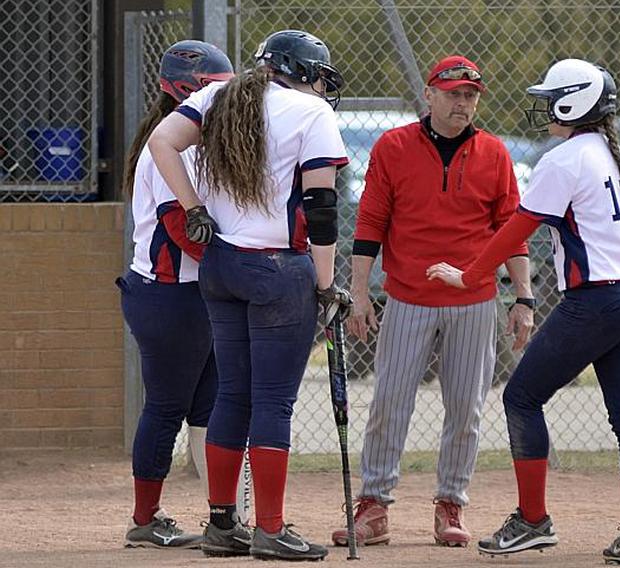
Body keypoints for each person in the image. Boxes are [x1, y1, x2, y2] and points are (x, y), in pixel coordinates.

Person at [428, 58, 620, 565]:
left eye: (551, 98)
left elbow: (518, 229)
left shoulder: (565, 159)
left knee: (521, 397)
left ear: (573, 102)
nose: (544, 108)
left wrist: (469, 275)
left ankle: (533, 520)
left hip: (596, 301)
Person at [147, 30, 351, 561]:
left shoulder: (218, 95)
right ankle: (270, 527)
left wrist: (193, 208)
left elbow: (161, 142)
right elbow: (322, 207)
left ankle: (221, 523)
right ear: (301, 70)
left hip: (220, 264)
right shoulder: (311, 114)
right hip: (278, 269)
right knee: (273, 400)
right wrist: (327, 285)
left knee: (233, 394)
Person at [331, 55, 534, 548]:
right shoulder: (394, 146)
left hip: (474, 299)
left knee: (465, 407)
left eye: (470, 95)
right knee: (389, 401)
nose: (462, 102)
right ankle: (375, 504)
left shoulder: (494, 153)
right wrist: (359, 295)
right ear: (430, 95)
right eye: (453, 93)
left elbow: (513, 233)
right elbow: (370, 224)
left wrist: (523, 297)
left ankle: (451, 503)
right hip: (407, 296)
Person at [119, 39, 235, 550]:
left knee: (210, 406)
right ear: (185, 91)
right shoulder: (167, 150)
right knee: (166, 406)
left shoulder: (197, 145)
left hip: (196, 294)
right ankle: (145, 520)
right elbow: (188, 233)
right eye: (209, 90)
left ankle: (223, 518)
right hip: (169, 294)